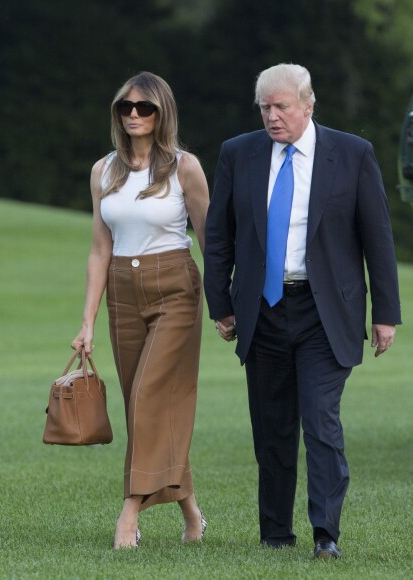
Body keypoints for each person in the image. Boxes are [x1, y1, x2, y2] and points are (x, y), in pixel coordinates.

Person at [204, 63, 401, 560]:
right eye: (265, 108)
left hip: (324, 311)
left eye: (282, 107)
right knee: (272, 428)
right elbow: (218, 237)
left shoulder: (352, 154)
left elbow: (377, 239)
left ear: (308, 105)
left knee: (320, 420)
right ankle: (274, 533)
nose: (272, 116)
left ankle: (325, 534)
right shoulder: (238, 153)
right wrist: (221, 305)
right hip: (262, 311)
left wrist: (386, 313)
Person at [72, 71, 210, 549]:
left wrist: (225, 306)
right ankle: (190, 510)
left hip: (175, 286)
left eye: (144, 108)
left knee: (151, 395)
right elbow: (98, 250)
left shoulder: (185, 168)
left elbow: (210, 240)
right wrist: (86, 321)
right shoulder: (103, 170)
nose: (133, 115)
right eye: (125, 107)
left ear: (161, 112)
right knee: (141, 404)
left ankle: (129, 512)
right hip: (121, 290)